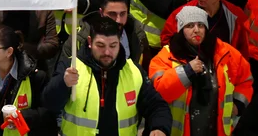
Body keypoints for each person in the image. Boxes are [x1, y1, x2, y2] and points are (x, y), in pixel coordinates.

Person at [43, 15, 172, 136]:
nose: (107, 52)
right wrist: (62, 84)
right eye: (100, 45)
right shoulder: (71, 66)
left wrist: (159, 127)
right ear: (89, 41)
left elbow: (157, 106)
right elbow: (49, 104)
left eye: (113, 45)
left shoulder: (134, 71)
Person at [149, 6, 253, 136]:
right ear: (181, 30)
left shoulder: (225, 52)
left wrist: (238, 105)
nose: (196, 30)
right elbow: (159, 92)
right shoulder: (166, 56)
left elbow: (245, 80)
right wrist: (187, 71)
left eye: (201, 25)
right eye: (190, 25)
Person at [160, 0, 250, 60]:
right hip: (190, 66)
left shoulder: (236, 16)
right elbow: (166, 41)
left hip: (223, 68)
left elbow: (243, 49)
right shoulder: (182, 13)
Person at [62, 0, 147, 68]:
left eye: (122, 14)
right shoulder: (79, 39)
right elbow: (64, 72)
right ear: (101, 13)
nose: (118, 20)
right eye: (112, 14)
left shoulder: (137, 35)